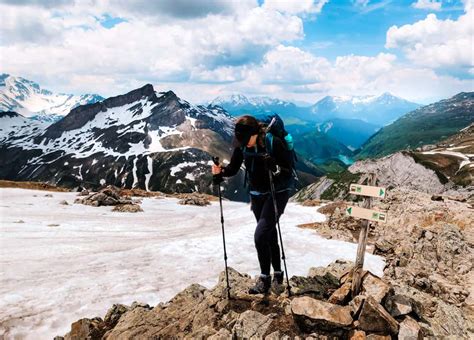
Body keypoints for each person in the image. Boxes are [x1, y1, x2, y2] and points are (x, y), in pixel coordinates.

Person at [212, 115, 294, 294]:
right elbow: (233, 168)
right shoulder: (242, 146)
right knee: (269, 233)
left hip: (277, 193)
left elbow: (288, 171)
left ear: (255, 133)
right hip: (257, 195)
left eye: (245, 139)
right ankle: (278, 274)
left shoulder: (273, 143)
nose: (242, 144)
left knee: (260, 235)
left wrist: (275, 167)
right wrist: (220, 172)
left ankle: (265, 279)